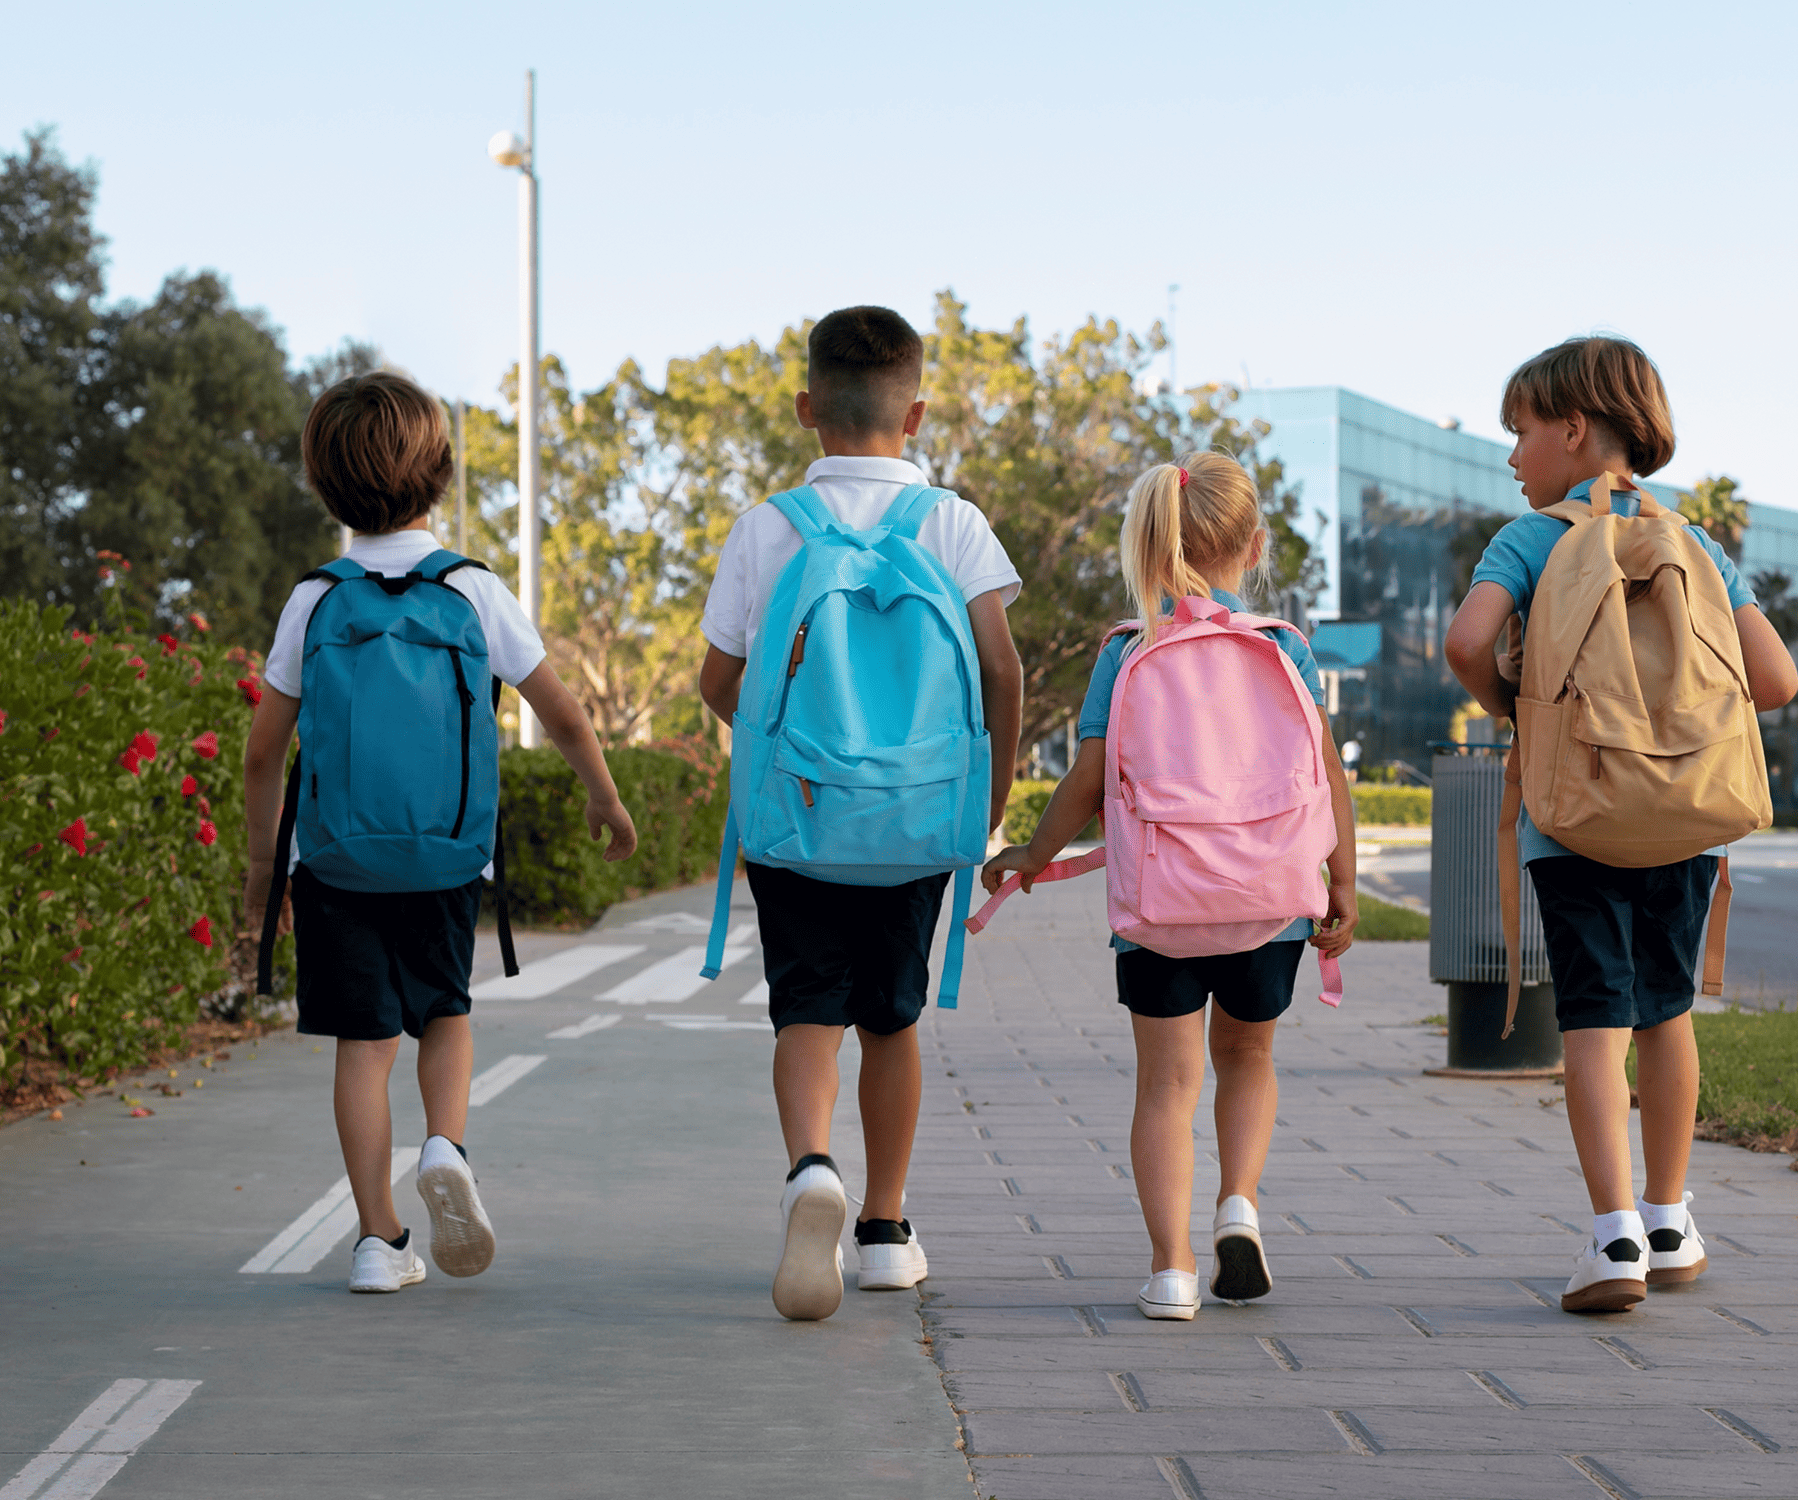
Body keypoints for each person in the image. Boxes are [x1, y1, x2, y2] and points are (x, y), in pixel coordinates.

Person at [243, 371, 638, 1294]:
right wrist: (604, 799)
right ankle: (446, 1147)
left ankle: (379, 1242)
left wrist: (265, 872)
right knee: (446, 1013)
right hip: (446, 854)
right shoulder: (471, 589)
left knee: (363, 1046)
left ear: (321, 482)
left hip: (334, 861)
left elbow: (265, 754)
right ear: (442, 474)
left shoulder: (314, 599)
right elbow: (566, 714)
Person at [1441, 337, 1798, 1313]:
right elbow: (1775, 680)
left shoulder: (1529, 540)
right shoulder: (1698, 544)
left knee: (1593, 1023)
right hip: (1686, 819)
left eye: (1518, 433)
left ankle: (1611, 1242)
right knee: (1666, 1013)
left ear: (1571, 428)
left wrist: (1517, 706)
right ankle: (1673, 1220)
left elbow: (1467, 640)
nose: (1510, 456)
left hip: (1575, 819)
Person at [698, 305, 1026, 1320]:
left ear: (807, 408)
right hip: (919, 816)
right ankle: (884, 1229)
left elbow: (719, 681)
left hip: (798, 819)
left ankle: (810, 1171)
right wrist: (989, 799)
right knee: (893, 1018)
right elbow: (1000, 672)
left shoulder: (767, 528)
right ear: (916, 412)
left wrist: (783, 740)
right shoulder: (952, 524)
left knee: (807, 1009)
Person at [982, 453, 1357, 1322]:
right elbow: (1326, 771)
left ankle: (1172, 1270)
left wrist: (1032, 856)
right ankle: (1239, 1206)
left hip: (1161, 908)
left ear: (1150, 549)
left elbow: (1086, 779)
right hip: (1269, 901)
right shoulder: (1284, 647)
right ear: (1254, 545)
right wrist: (1339, 880)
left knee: (1166, 1086)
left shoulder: (1127, 651)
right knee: (1249, 1058)